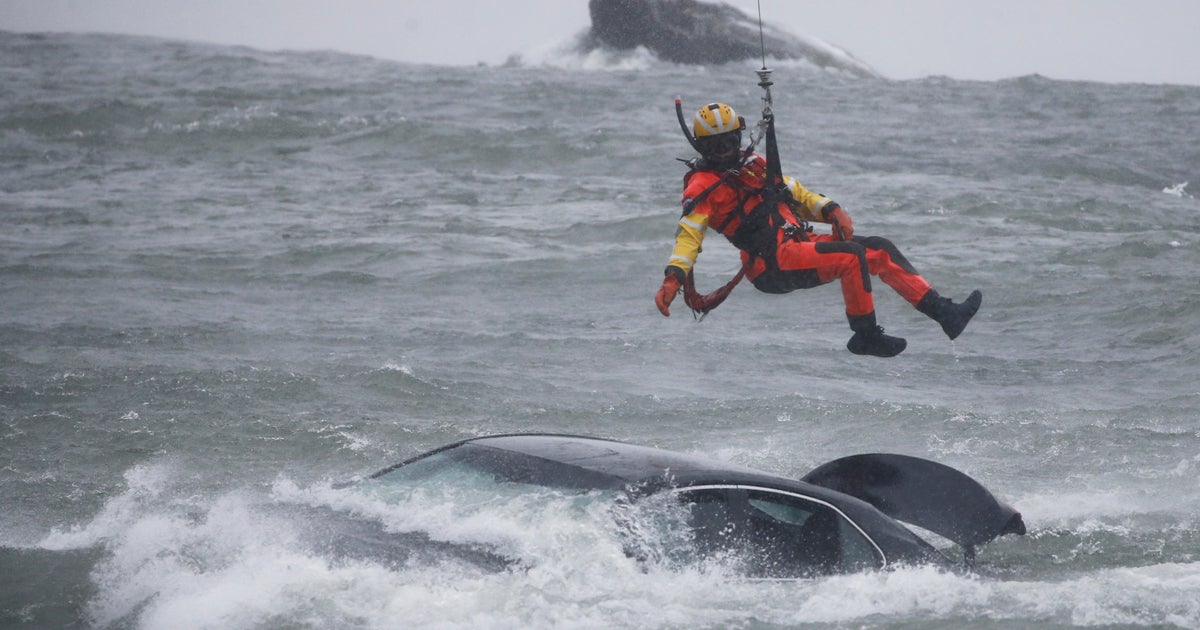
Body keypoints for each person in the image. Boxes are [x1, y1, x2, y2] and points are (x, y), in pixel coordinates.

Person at [654, 102, 982, 357]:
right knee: (852, 257)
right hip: (771, 265)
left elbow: (797, 193)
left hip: (799, 244)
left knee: (879, 250)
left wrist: (831, 209)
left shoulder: (753, 166)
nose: (727, 152)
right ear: (703, 149)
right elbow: (689, 237)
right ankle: (866, 334)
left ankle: (945, 313)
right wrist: (673, 277)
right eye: (717, 147)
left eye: (730, 142)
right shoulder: (701, 188)